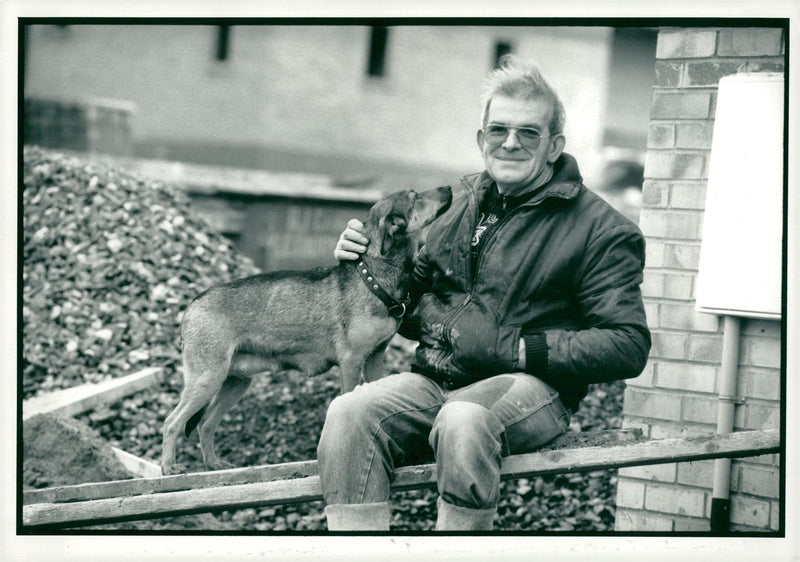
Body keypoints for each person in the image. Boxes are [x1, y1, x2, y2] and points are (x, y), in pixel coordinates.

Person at [317, 55, 651, 531]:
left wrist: (517, 347)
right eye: (499, 130)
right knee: (349, 412)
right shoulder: (455, 209)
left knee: (463, 419)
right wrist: (369, 265)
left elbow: (628, 345)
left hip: (531, 388)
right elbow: (408, 302)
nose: (510, 142)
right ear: (481, 139)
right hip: (437, 378)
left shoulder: (601, 230)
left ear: (555, 145)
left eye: (529, 133)